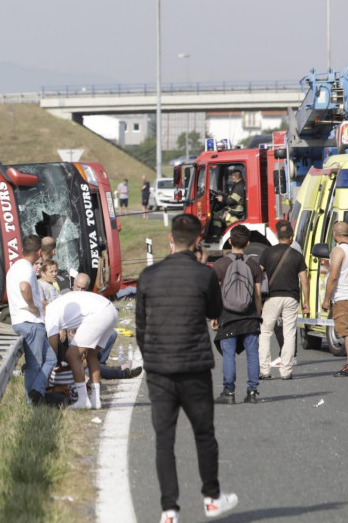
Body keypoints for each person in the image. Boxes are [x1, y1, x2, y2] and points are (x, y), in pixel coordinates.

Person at [136, 213, 238, 522]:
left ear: (170, 238)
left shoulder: (148, 275)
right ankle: (211, 497)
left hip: (159, 371)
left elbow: (141, 327)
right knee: (204, 434)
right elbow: (214, 311)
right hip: (194, 368)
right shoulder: (203, 274)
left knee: (164, 440)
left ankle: (169, 511)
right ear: (197, 242)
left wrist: (151, 358)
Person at [211, 225, 264, 404]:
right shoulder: (254, 265)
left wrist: (214, 316)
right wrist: (258, 315)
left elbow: (216, 295)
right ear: (248, 243)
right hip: (249, 317)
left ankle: (229, 393)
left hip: (228, 316)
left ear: (230, 241)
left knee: (228, 355)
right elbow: (257, 294)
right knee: (252, 355)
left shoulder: (219, 265)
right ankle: (252, 391)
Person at [7, 235, 59, 406]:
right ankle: (33, 401)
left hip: (23, 321)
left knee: (51, 358)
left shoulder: (15, 267)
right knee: (34, 365)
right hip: (30, 322)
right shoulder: (26, 268)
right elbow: (24, 287)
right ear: (38, 252)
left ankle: (38, 390)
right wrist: (32, 306)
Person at [45, 291, 119, 409]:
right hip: (111, 310)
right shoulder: (58, 304)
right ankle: (95, 400)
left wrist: (48, 367)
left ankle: (83, 400)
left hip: (99, 314)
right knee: (91, 355)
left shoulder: (49, 312)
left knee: (72, 354)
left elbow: (53, 344)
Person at [257, 220, 309, 380]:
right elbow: (304, 280)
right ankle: (286, 371)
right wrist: (306, 302)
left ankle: (265, 370)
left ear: (277, 236)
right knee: (289, 332)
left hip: (272, 297)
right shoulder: (296, 255)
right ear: (291, 237)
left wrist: (257, 299)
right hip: (291, 297)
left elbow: (258, 275)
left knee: (265, 332)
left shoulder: (267, 253)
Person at [321, 221, 348, 377]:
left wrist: (326, 299)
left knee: (347, 332)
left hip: (343, 296)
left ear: (335, 234)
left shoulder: (338, 251)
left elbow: (333, 277)